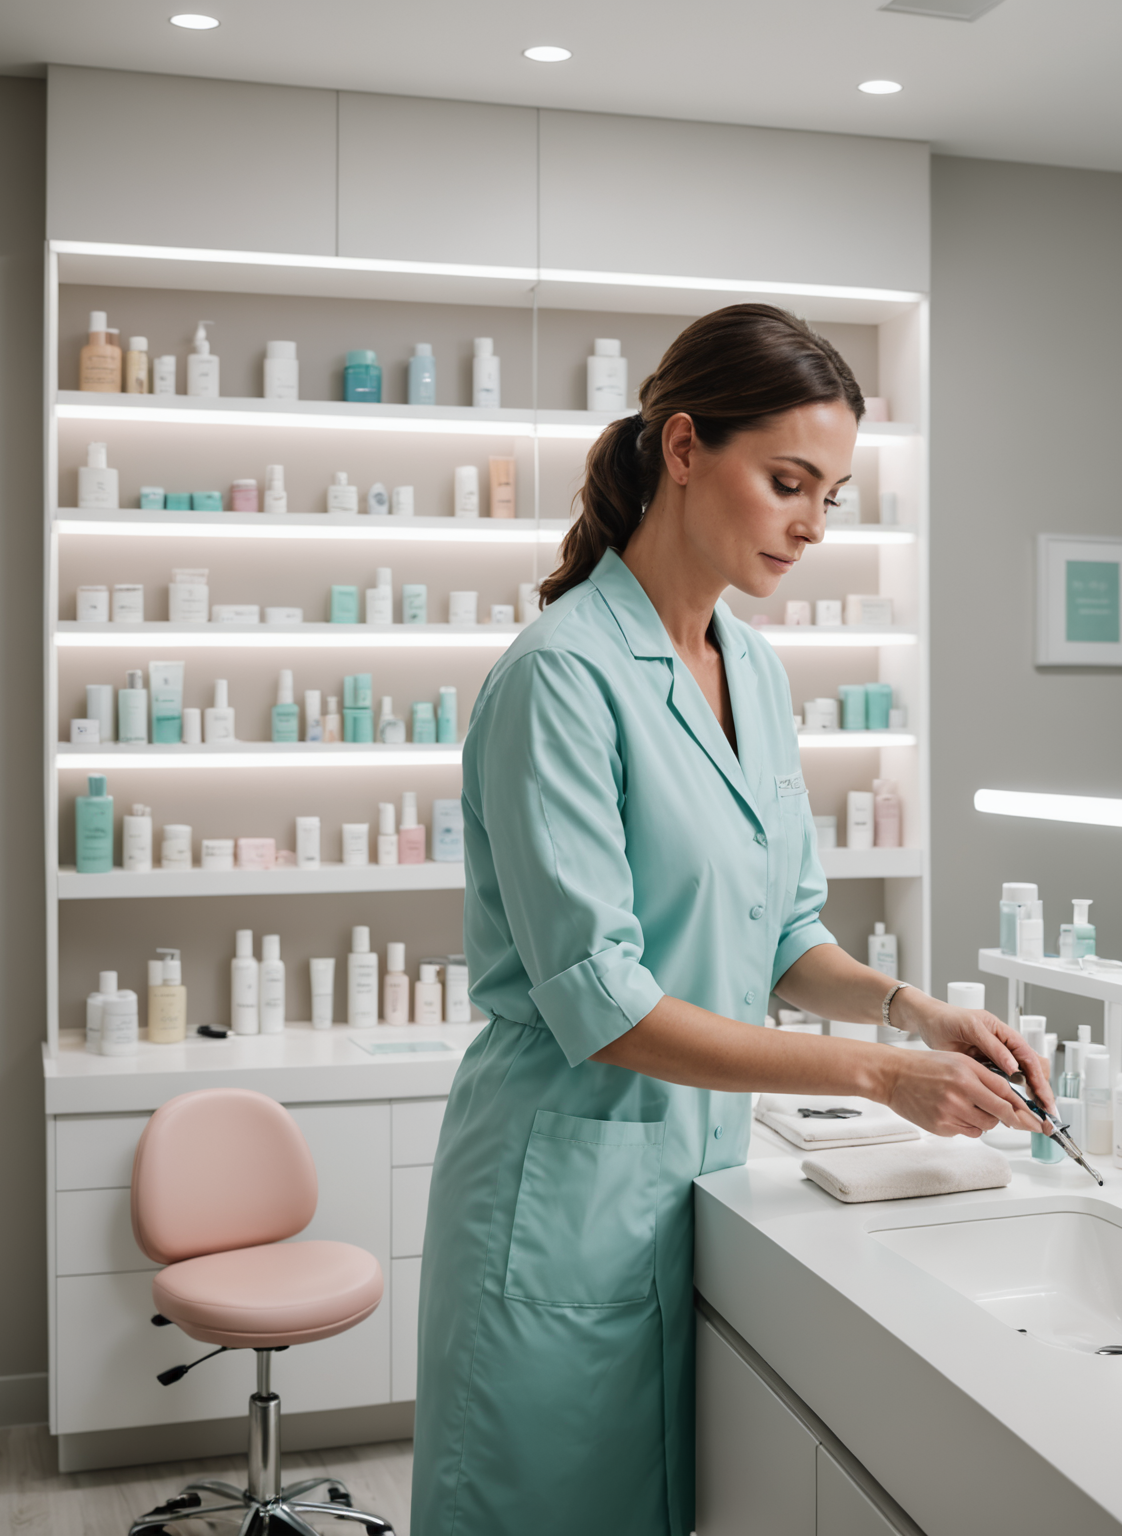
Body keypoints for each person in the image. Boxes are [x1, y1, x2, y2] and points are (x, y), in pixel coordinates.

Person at [411, 303, 1054, 1536]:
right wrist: (880, 1073)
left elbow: (782, 938)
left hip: (696, 1181)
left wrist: (913, 1010)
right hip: (559, 1197)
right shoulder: (560, 676)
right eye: (789, 481)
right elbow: (603, 1006)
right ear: (686, 446)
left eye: (836, 493)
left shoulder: (750, 669)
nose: (812, 524)